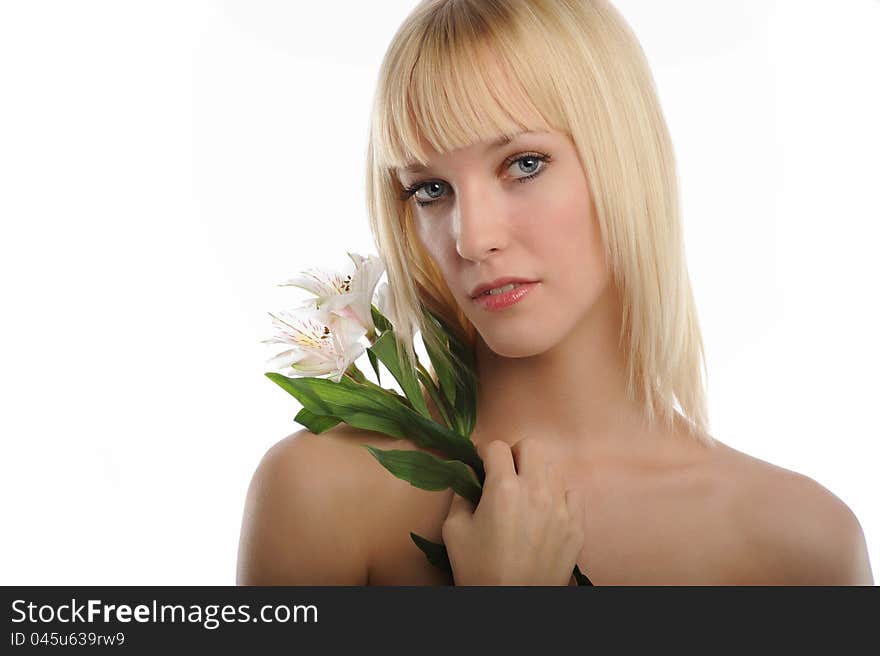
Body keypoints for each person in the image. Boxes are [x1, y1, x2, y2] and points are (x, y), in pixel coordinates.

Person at [236, 0, 873, 585]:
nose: (472, 238)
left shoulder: (802, 545)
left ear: (624, 160)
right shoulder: (318, 493)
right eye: (430, 188)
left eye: (524, 164)